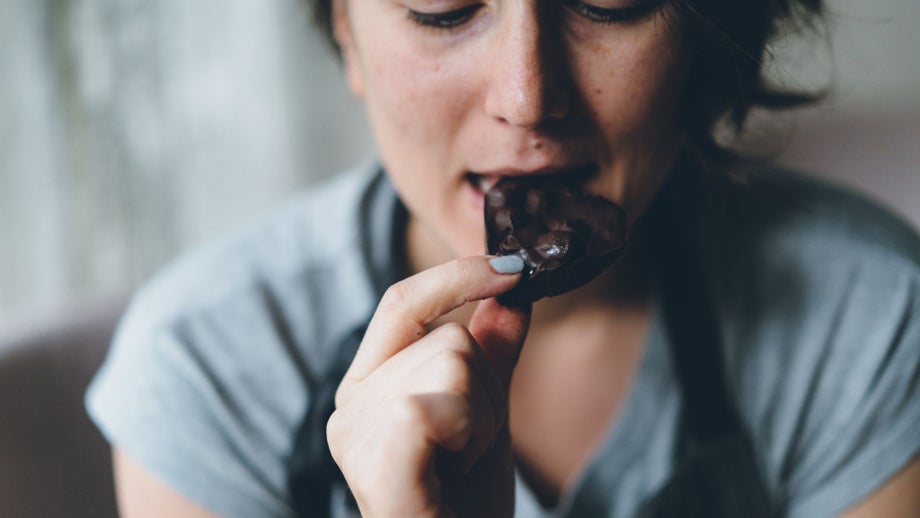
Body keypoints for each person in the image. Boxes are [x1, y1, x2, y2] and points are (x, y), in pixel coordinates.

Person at [86, 0, 920, 516]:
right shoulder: (205, 367)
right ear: (346, 28)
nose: (528, 96)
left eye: (610, 1)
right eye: (443, 8)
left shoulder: (871, 321)